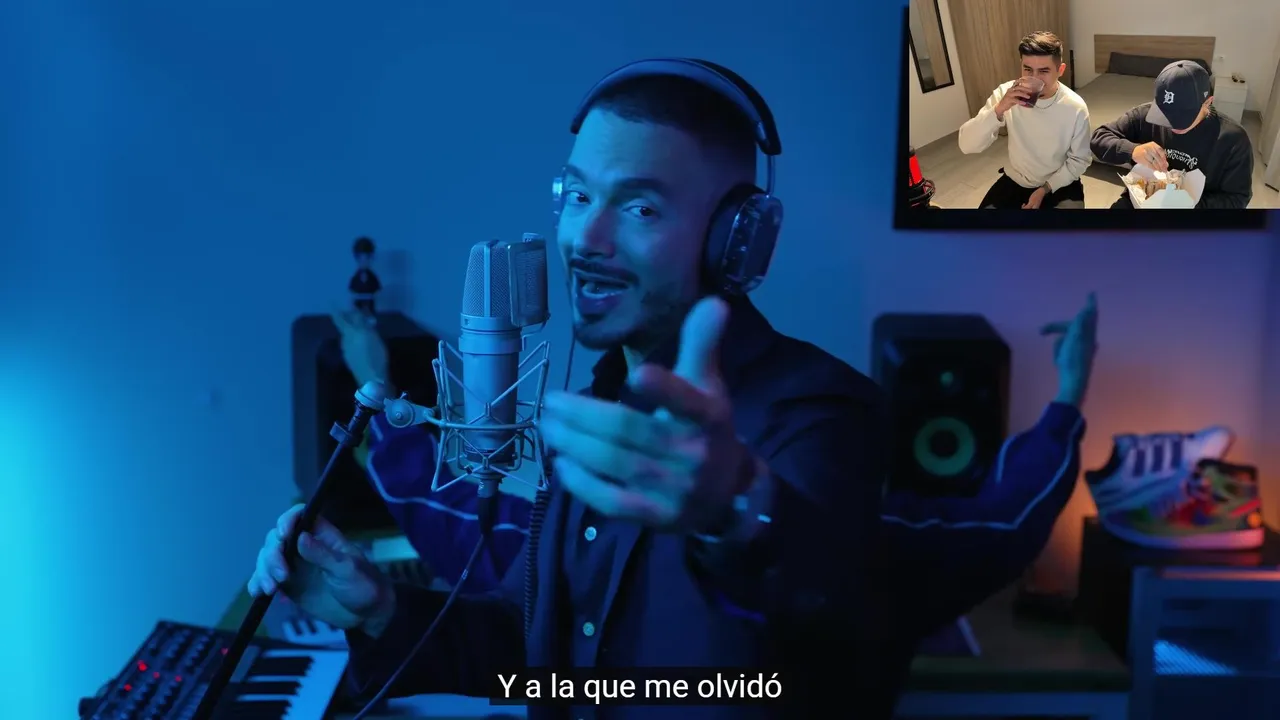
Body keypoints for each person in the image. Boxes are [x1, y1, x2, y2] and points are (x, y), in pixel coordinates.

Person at [251, 61, 893, 719]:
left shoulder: (821, 416)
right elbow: (535, 651)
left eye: (640, 208)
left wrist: (737, 511)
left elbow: (841, 639)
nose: (585, 238)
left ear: (736, 240)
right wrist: (377, 608)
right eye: (579, 196)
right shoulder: (594, 409)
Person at [1090, 60, 1254, 209]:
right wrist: (1132, 150)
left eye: (1182, 117)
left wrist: (1185, 204)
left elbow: (1238, 199)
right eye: (1165, 114)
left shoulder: (1233, 140)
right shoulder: (1143, 116)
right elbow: (1098, 138)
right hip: (1142, 200)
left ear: (1207, 103)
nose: (1172, 124)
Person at [958, 31, 1091, 209]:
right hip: (1016, 180)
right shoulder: (1006, 93)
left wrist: (1045, 189)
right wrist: (999, 109)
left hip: (1058, 182)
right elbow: (966, 145)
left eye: (1043, 71)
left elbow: (1080, 160)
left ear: (1060, 70)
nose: (1034, 78)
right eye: (1027, 69)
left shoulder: (1075, 107)